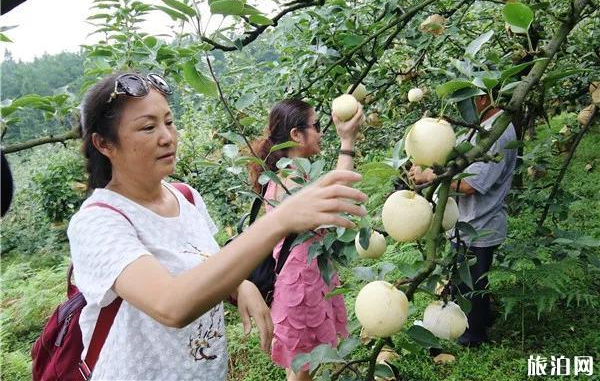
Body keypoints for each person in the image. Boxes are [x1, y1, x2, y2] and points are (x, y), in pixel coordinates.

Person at [69, 72, 367, 380]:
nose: (167, 137)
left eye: (169, 122)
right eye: (148, 127)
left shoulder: (185, 197)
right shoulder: (98, 222)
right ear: (104, 144)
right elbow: (169, 304)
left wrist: (239, 284)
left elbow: (204, 263)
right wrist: (281, 219)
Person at [249, 98, 364, 381]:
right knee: (302, 371)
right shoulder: (289, 179)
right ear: (296, 135)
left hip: (309, 283)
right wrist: (347, 140)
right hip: (300, 288)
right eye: (317, 126)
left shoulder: (293, 175)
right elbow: (337, 197)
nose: (321, 133)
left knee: (304, 368)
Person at [409, 93, 517, 346]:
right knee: (468, 280)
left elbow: (470, 184)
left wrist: (428, 176)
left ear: (482, 98)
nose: (461, 108)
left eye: (465, 101)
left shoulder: (497, 133)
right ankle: (477, 320)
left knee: (472, 286)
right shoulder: (484, 128)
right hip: (469, 222)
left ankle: (472, 337)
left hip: (480, 225)